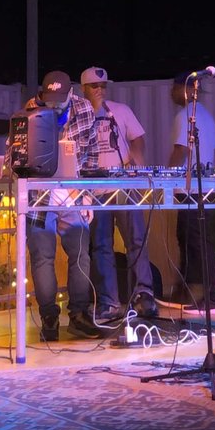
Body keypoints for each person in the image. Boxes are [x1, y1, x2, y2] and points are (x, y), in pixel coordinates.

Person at [9, 71, 106, 341]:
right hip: (39, 195)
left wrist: (88, 196)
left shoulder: (84, 109)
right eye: (50, 99)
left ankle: (79, 314)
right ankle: (49, 317)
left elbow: (92, 154)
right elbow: (12, 155)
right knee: (43, 256)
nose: (54, 105)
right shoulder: (30, 110)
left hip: (73, 192)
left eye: (60, 100)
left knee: (80, 253)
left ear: (70, 94)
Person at [77, 66, 156, 321]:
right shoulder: (78, 114)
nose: (100, 90)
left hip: (124, 186)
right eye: (94, 86)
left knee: (136, 240)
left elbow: (137, 138)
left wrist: (137, 161)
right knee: (102, 245)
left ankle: (143, 294)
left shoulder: (120, 110)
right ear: (84, 89)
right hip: (95, 190)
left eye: (103, 86)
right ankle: (108, 302)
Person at [167, 76, 215, 311]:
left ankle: (207, 294)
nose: (172, 92)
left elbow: (181, 149)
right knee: (193, 238)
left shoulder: (186, 116)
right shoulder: (206, 116)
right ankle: (188, 291)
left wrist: (167, 176)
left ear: (190, 89)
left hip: (190, 188)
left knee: (194, 241)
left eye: (176, 88)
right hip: (205, 186)